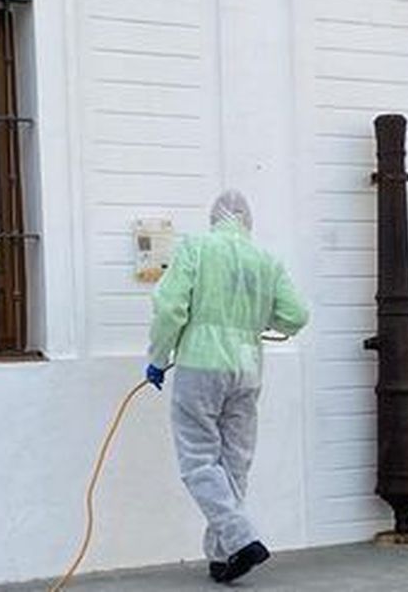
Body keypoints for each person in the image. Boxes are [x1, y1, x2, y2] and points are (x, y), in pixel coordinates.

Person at [145, 190, 310, 584]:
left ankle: (242, 538)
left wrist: (157, 356)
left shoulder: (196, 248)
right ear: (247, 221)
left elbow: (170, 307)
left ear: (214, 218)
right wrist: (258, 325)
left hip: (200, 366)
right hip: (247, 368)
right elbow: (296, 315)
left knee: (199, 460)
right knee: (235, 461)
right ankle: (222, 557)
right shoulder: (266, 261)